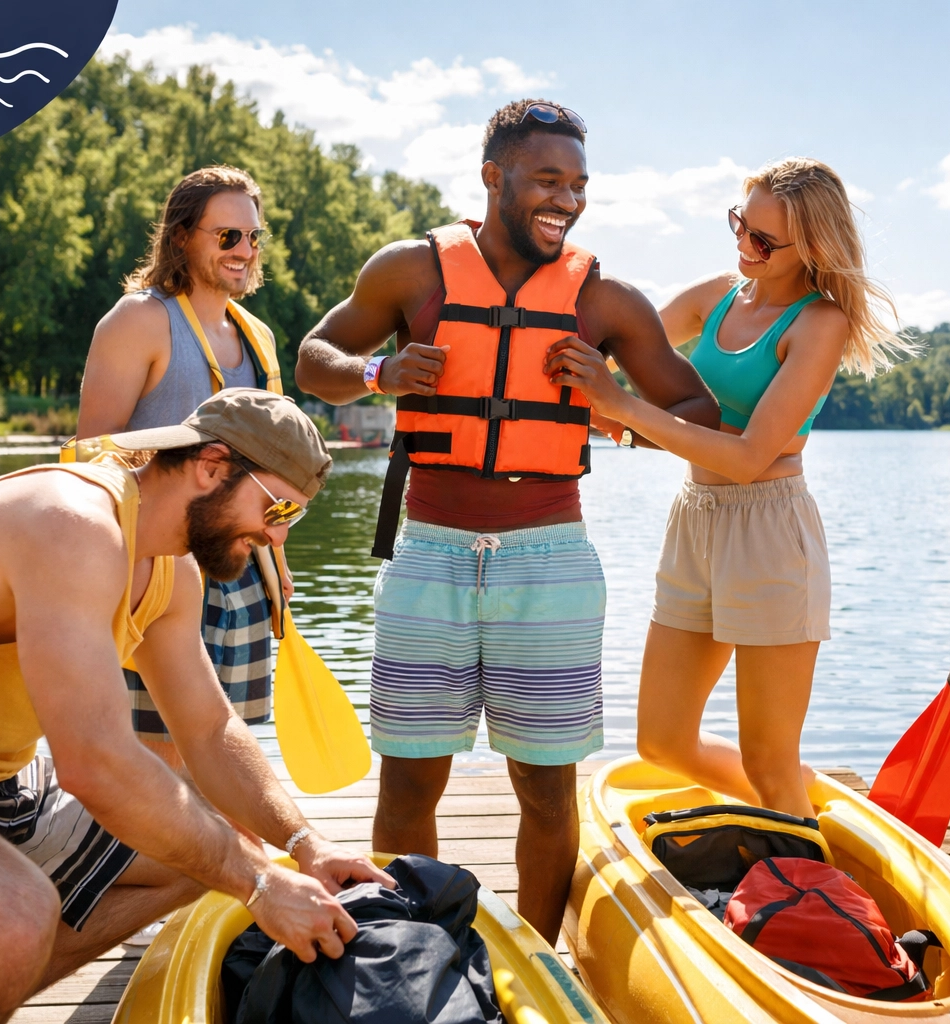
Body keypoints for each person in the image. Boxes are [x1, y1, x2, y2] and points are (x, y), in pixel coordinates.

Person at [0, 389, 392, 1024]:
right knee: (13, 919)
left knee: (224, 846)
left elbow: (207, 729)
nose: (276, 533)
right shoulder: (72, 524)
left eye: (295, 517)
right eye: (277, 505)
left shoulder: (170, 568)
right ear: (211, 464)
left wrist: (301, 844)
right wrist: (259, 884)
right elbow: (93, 762)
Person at [295, 98, 719, 942]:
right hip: (429, 555)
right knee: (409, 786)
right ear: (495, 177)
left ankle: (541, 961)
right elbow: (314, 358)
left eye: (580, 184)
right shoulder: (410, 271)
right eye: (548, 179)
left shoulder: (606, 300)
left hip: (549, 559)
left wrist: (610, 400)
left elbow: (696, 412)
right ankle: (414, 954)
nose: (568, 199)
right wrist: (379, 372)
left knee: (547, 789)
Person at [546, 158, 898, 818]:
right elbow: (619, 338)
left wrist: (620, 411)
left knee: (769, 754)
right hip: (695, 519)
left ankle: (804, 856)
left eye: (763, 240)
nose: (744, 246)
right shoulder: (719, 295)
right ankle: (806, 813)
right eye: (741, 224)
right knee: (661, 739)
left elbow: (748, 457)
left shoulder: (819, 324)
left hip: (770, 530)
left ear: (815, 247)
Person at [76, 165, 289, 777]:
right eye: (228, 237)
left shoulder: (260, 337)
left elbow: (269, 467)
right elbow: (92, 458)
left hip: (242, 573)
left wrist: (279, 557)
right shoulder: (138, 321)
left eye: (253, 237)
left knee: (234, 754)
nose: (245, 251)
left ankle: (234, 867)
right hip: (154, 575)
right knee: (159, 769)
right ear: (181, 238)